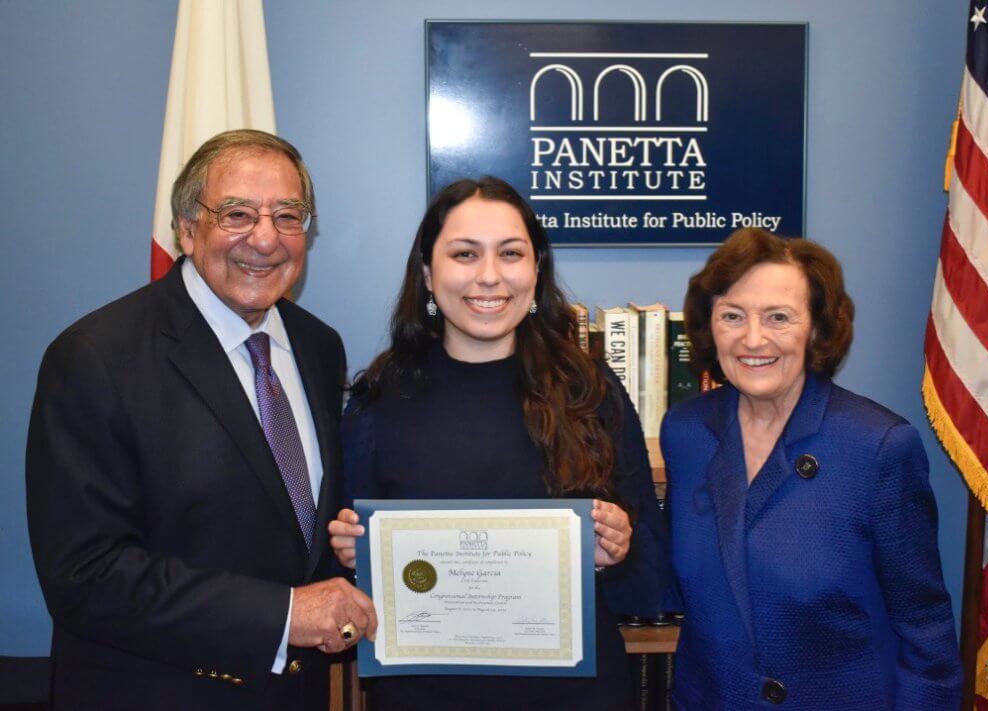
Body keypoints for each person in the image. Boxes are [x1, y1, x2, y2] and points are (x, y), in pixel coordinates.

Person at [26, 129, 377, 710]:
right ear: (187, 229)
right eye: (237, 213)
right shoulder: (94, 357)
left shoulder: (319, 347)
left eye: (288, 216)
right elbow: (85, 575)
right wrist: (284, 614)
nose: (265, 238)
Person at [327, 176, 670, 710]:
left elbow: (650, 577)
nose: (489, 276)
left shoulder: (591, 391)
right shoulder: (377, 400)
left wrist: (617, 553)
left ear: (536, 270)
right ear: (427, 273)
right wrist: (353, 556)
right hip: (424, 696)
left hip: (577, 698)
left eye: (511, 253)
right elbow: (345, 580)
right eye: (465, 254)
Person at [661, 227, 962, 709]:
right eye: (732, 316)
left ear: (818, 329)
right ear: (708, 326)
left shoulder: (879, 446)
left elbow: (924, 626)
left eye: (778, 317)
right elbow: (679, 584)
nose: (752, 338)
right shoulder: (685, 431)